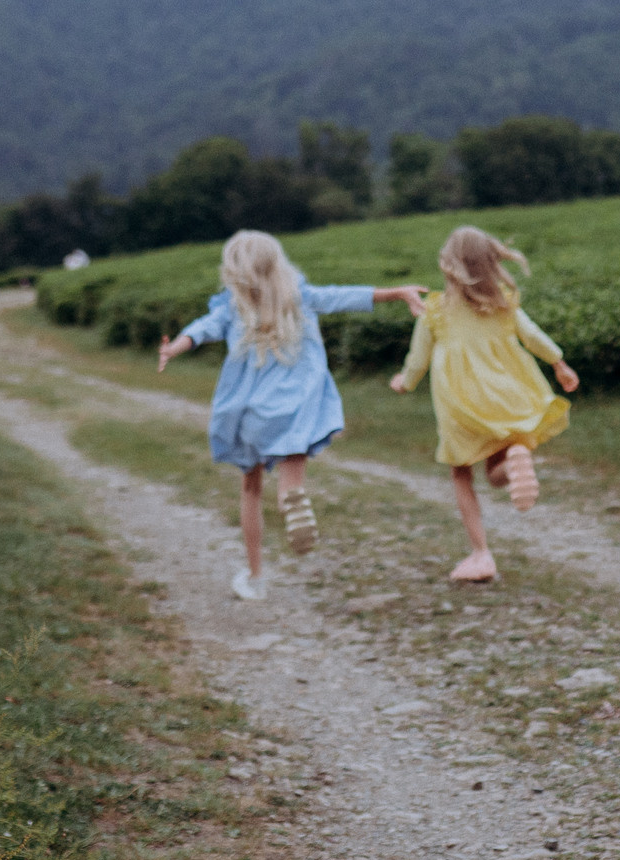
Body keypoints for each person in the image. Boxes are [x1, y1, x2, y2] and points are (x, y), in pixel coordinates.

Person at [158, 231, 424, 600]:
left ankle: (255, 576)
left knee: (250, 488)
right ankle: (292, 497)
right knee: (291, 470)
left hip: (251, 410)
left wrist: (173, 348)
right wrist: (396, 292)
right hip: (294, 408)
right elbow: (342, 295)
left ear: (233, 272)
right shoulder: (299, 297)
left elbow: (201, 331)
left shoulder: (231, 308)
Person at [389, 226, 579, 584]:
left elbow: (418, 360)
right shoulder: (503, 302)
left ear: (448, 267)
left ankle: (481, 554)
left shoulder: (435, 311)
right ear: (491, 262)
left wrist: (404, 381)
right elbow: (532, 335)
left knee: (462, 473)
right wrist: (559, 362)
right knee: (499, 465)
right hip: (504, 394)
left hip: (460, 403)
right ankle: (515, 461)